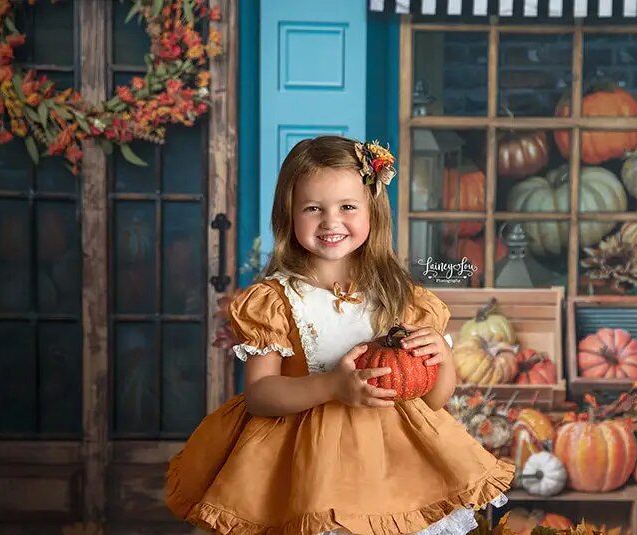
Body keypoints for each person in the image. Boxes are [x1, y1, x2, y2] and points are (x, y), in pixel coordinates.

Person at [165, 136, 514, 535]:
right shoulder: (275, 300)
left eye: (347, 207)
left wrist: (442, 359)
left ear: (372, 211)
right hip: (307, 465)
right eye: (313, 209)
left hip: (393, 468)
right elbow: (260, 396)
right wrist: (331, 386)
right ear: (289, 214)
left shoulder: (402, 299)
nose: (331, 222)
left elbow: (433, 400)